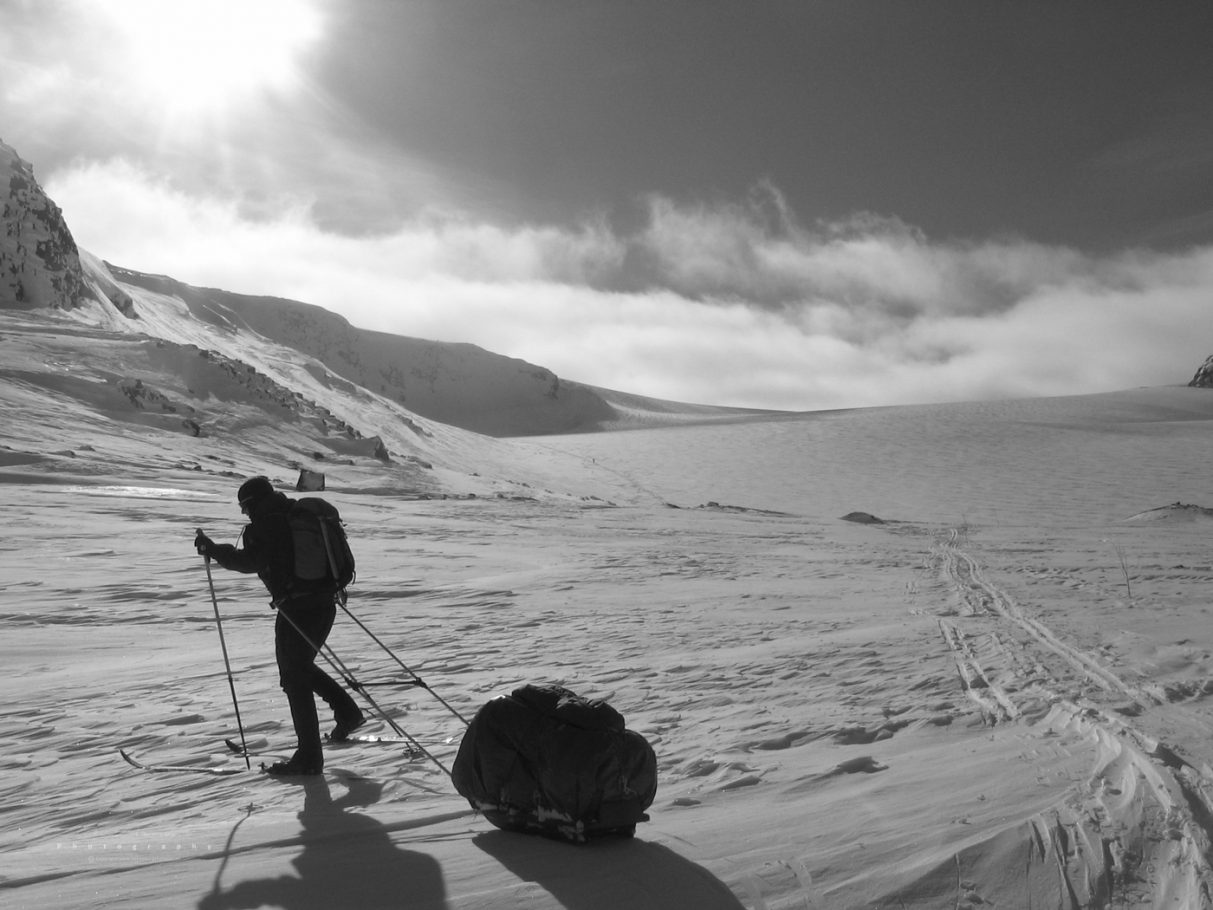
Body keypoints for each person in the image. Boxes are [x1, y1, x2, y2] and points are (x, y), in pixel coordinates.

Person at [195, 475, 365, 775]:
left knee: (294, 677)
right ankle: (347, 713)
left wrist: (213, 550)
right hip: (321, 603)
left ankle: (310, 758)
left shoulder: (271, 521)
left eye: (244, 508)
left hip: (298, 608)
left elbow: (251, 561)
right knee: (299, 668)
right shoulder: (290, 513)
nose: (245, 514)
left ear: (252, 503)